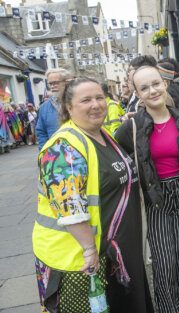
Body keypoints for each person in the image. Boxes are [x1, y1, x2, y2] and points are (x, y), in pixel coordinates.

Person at [32, 77, 154, 313]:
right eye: (86, 100)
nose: (96, 104)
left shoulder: (102, 134)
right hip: (77, 261)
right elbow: (70, 209)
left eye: (99, 97)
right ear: (69, 108)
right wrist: (89, 250)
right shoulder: (62, 148)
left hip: (112, 253)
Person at [115, 63, 179, 313]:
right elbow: (119, 163)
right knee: (165, 261)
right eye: (144, 87)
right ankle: (169, 308)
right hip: (155, 198)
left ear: (165, 84)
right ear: (137, 93)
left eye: (156, 83)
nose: (153, 90)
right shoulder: (129, 128)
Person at [36, 68, 72, 149]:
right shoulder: (44, 107)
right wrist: (45, 151)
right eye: (50, 84)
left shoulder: (76, 102)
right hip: (56, 152)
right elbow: (41, 132)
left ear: (66, 82)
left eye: (55, 83)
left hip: (79, 149)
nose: (52, 86)